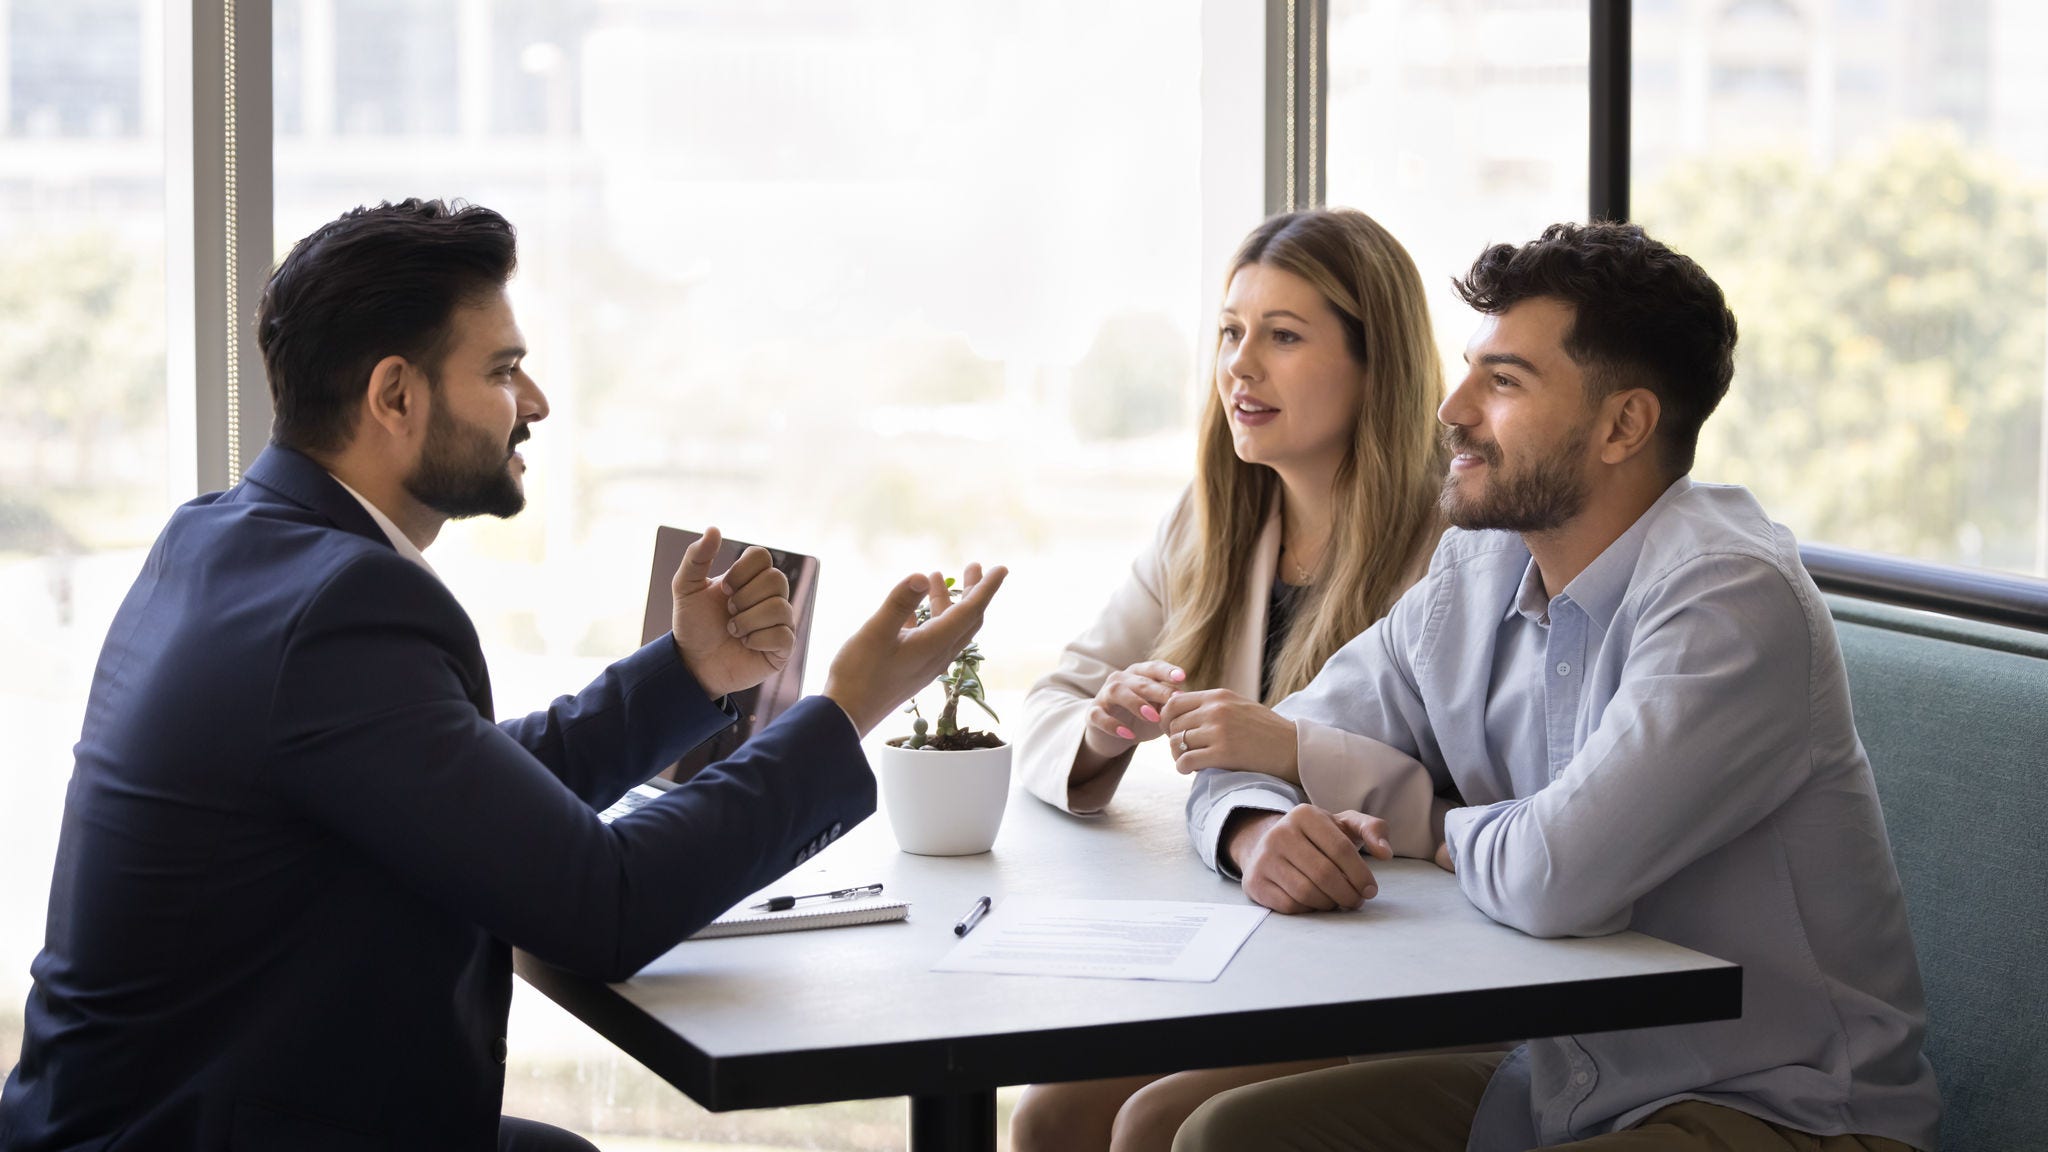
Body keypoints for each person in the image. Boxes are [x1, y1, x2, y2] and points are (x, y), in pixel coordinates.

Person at [0, 199, 1005, 1152]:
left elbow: (468, 790)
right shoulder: (337, 608)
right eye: (504, 370)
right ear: (394, 394)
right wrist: (849, 705)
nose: (535, 403)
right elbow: (603, 905)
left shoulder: (225, 540)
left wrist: (690, 672)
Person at [1171, 222, 1938, 1151]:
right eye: (1470, 370)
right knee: (1229, 1137)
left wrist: (1419, 818)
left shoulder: (1730, 598)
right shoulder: (1475, 571)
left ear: (1624, 425)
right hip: (1563, 1077)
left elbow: (1553, 876)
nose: (1451, 408)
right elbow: (1266, 740)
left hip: (1777, 1107)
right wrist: (1255, 829)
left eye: (1503, 382)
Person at [1010, 208, 1448, 1152]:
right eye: (1231, 333)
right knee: (1049, 1114)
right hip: (1251, 937)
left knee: (1157, 1123)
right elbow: (1053, 699)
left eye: (1283, 337)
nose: (1240, 367)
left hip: (1397, 958)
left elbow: (1487, 797)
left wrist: (1294, 759)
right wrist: (1101, 728)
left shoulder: (1455, 550)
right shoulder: (1213, 521)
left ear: (1380, 366)